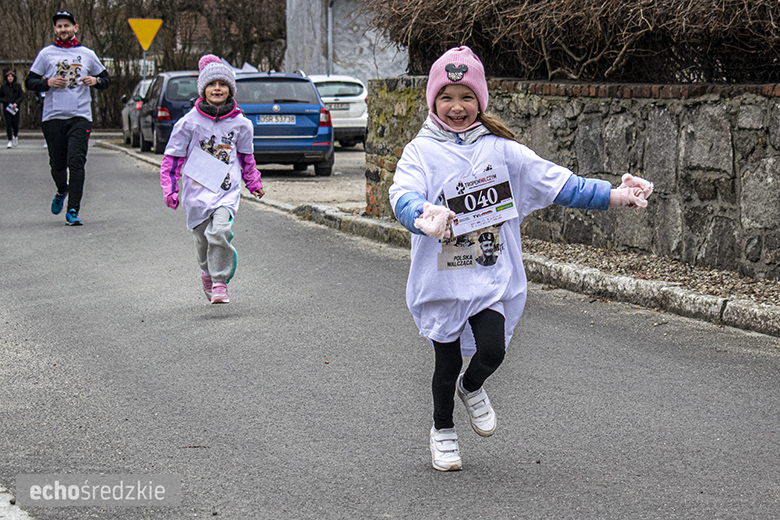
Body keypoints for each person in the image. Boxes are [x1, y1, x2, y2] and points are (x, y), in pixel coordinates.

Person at [389, 46, 654, 472]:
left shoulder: (502, 151)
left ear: (481, 100)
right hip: (442, 279)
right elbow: (402, 193)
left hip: (490, 275)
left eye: (467, 97)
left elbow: (560, 183)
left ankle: (472, 387)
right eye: (447, 97)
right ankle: (443, 431)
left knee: (492, 350)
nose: (457, 107)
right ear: (432, 100)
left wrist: (617, 196)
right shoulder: (420, 152)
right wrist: (423, 215)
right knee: (447, 360)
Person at [160, 54, 265, 304]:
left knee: (220, 231)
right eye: (211, 84)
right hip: (196, 191)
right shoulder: (188, 123)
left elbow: (246, 158)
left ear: (230, 90)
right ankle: (207, 273)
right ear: (203, 89)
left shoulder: (241, 125)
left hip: (226, 191)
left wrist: (254, 183)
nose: (217, 88)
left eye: (222, 84)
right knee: (201, 240)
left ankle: (219, 282)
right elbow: (172, 159)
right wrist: (171, 190)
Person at [25, 10, 111, 226]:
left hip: (80, 116)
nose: (63, 29)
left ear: (75, 27)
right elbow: (29, 82)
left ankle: (73, 210)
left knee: (76, 161)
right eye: (59, 26)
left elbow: (106, 79)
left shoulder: (88, 54)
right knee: (57, 163)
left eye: (67, 25)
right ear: (55, 30)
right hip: (53, 115)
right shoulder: (46, 54)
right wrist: (47, 83)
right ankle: (62, 190)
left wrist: (96, 81)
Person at [0, 70, 24, 148]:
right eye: (8, 77)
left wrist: (16, 103)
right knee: (8, 124)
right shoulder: (3, 87)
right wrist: (6, 101)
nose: (10, 78)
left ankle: (15, 136)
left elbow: (21, 96)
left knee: (15, 123)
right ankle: (9, 139)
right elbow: (1, 97)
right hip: (7, 108)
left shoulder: (18, 86)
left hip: (15, 108)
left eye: (11, 77)